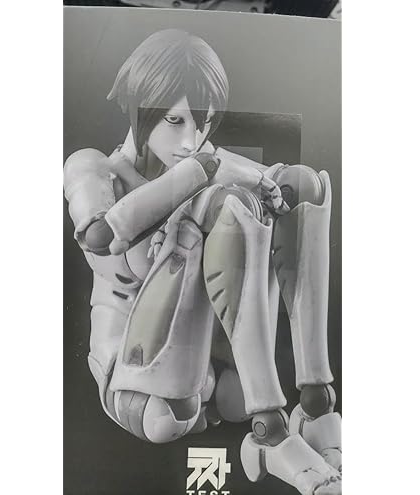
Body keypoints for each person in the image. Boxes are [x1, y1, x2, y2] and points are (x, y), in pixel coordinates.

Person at [64, 29, 341, 495]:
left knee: (303, 186)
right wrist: (205, 173)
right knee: (169, 418)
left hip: (209, 354)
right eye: (175, 120)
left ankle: (315, 405)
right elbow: (101, 237)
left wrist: (279, 188)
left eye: (204, 123)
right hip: (134, 363)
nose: (191, 140)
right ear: (138, 107)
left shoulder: (198, 157)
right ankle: (269, 433)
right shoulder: (94, 167)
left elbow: (270, 184)